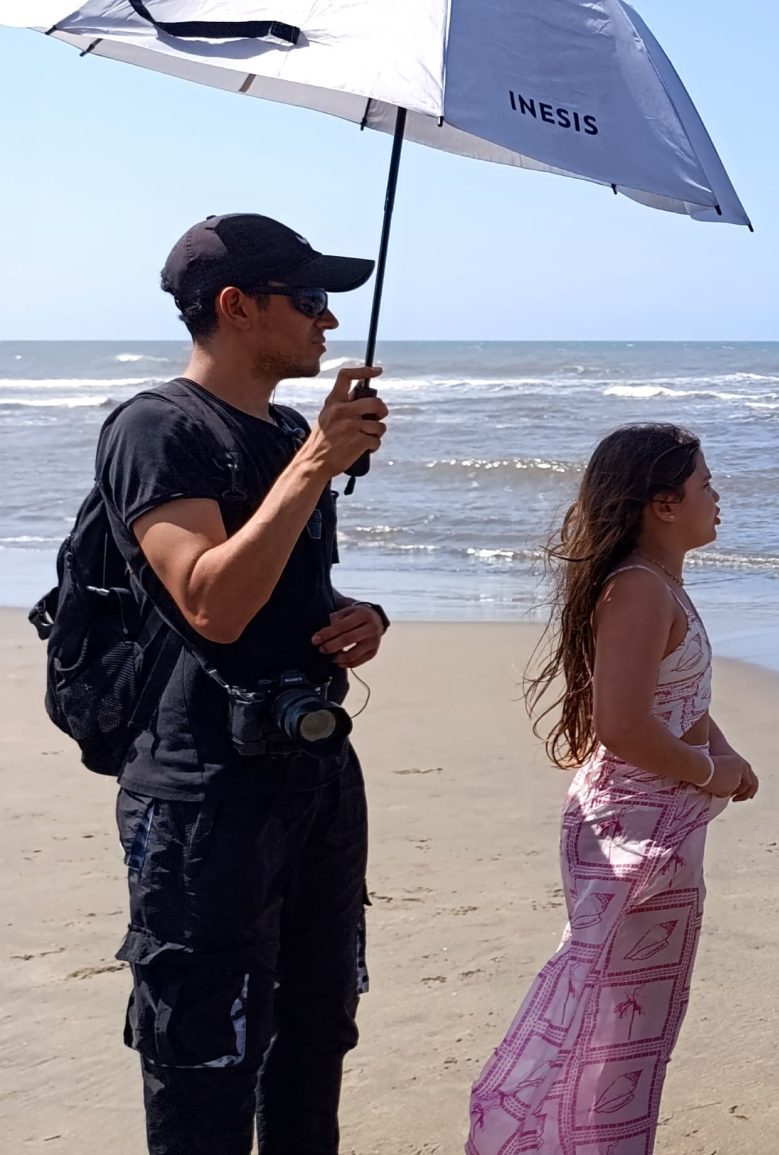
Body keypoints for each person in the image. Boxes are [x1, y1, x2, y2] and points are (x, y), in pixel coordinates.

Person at [95, 214, 387, 1154]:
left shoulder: (289, 430)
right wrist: (313, 466)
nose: (328, 322)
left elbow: (281, 594)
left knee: (313, 1044)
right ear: (235, 306)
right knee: (205, 1070)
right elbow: (209, 602)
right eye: (307, 299)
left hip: (310, 777)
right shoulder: (157, 429)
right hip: (202, 800)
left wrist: (358, 618)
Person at [467, 424, 756, 1155]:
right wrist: (709, 771)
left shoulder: (657, 585)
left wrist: (722, 749)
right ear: (663, 503)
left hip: (655, 829)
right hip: (629, 834)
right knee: (601, 1020)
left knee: (632, 1024)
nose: (717, 496)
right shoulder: (638, 588)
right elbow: (622, 723)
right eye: (704, 483)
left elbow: (673, 696)